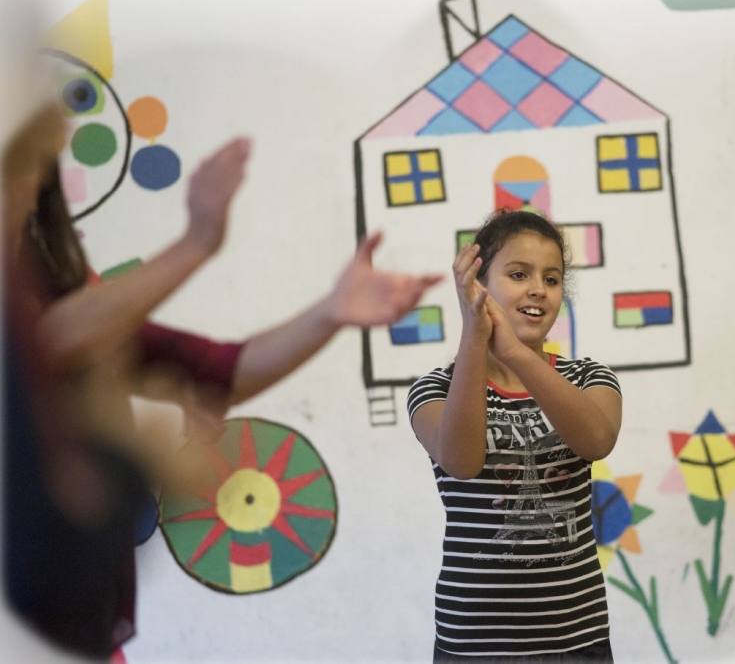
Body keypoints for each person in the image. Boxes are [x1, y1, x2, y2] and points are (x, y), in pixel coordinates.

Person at [2, 104, 442, 658]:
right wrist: (197, 243)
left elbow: (218, 370)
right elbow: (48, 343)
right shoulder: (56, 321)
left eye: (25, 164)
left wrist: (330, 311)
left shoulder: (68, 296)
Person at [408, 210, 622, 662]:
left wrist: (515, 353)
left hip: (577, 641)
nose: (538, 290)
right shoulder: (434, 389)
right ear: (479, 285)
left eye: (552, 278)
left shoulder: (588, 378)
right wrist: (477, 334)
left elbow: (597, 440)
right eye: (519, 274)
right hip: (472, 645)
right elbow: (462, 462)